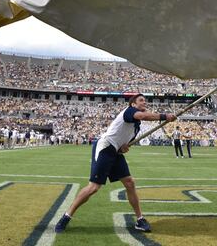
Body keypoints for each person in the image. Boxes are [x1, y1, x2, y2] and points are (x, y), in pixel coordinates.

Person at [55, 94, 176, 233]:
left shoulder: (136, 127)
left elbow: (124, 145)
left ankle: (140, 219)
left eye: (145, 100)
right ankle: (66, 216)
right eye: (141, 100)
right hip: (105, 148)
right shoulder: (129, 111)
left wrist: (124, 148)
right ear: (133, 104)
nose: (144, 102)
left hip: (115, 152)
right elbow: (143, 116)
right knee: (94, 187)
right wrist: (164, 116)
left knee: (130, 182)